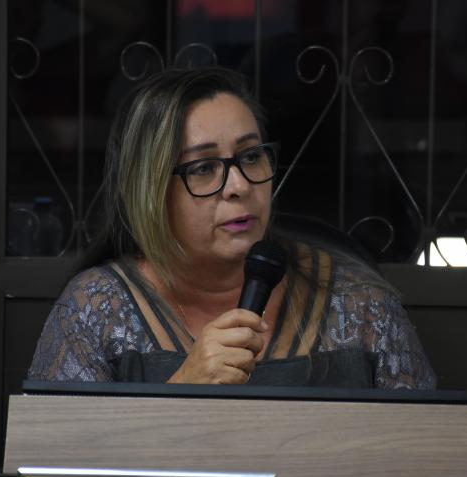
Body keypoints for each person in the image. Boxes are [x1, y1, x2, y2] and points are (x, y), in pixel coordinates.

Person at [28, 66, 436, 389]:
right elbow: (60, 463)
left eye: (251, 157)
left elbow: (423, 457)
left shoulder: (360, 305)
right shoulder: (96, 308)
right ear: (150, 190)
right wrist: (183, 389)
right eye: (204, 167)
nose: (239, 186)